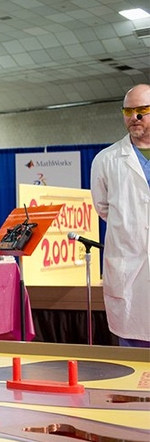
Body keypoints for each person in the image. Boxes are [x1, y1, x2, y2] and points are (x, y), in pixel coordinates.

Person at [90, 84, 150, 347]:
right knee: (134, 364)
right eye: (128, 110)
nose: (134, 117)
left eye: (142, 110)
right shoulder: (106, 160)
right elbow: (103, 208)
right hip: (128, 270)